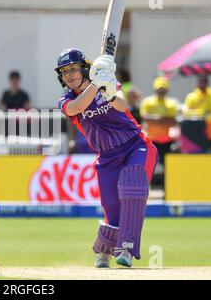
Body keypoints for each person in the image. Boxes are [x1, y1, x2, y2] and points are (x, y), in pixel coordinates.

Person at [56, 48, 157, 268]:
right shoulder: (66, 100)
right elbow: (77, 107)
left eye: (73, 69)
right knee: (112, 207)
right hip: (107, 157)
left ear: (84, 68)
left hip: (136, 146)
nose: (69, 76)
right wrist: (95, 83)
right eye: (65, 72)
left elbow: (122, 105)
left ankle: (126, 249)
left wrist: (105, 84)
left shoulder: (107, 83)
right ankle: (104, 250)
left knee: (132, 187)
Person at [140, 77, 179, 168]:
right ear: (155, 89)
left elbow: (173, 121)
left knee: (168, 167)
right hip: (151, 140)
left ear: (167, 90)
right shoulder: (147, 102)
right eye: (159, 89)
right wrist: (164, 119)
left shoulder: (171, 103)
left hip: (167, 141)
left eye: (163, 89)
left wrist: (155, 119)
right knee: (150, 165)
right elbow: (145, 118)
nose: (161, 91)